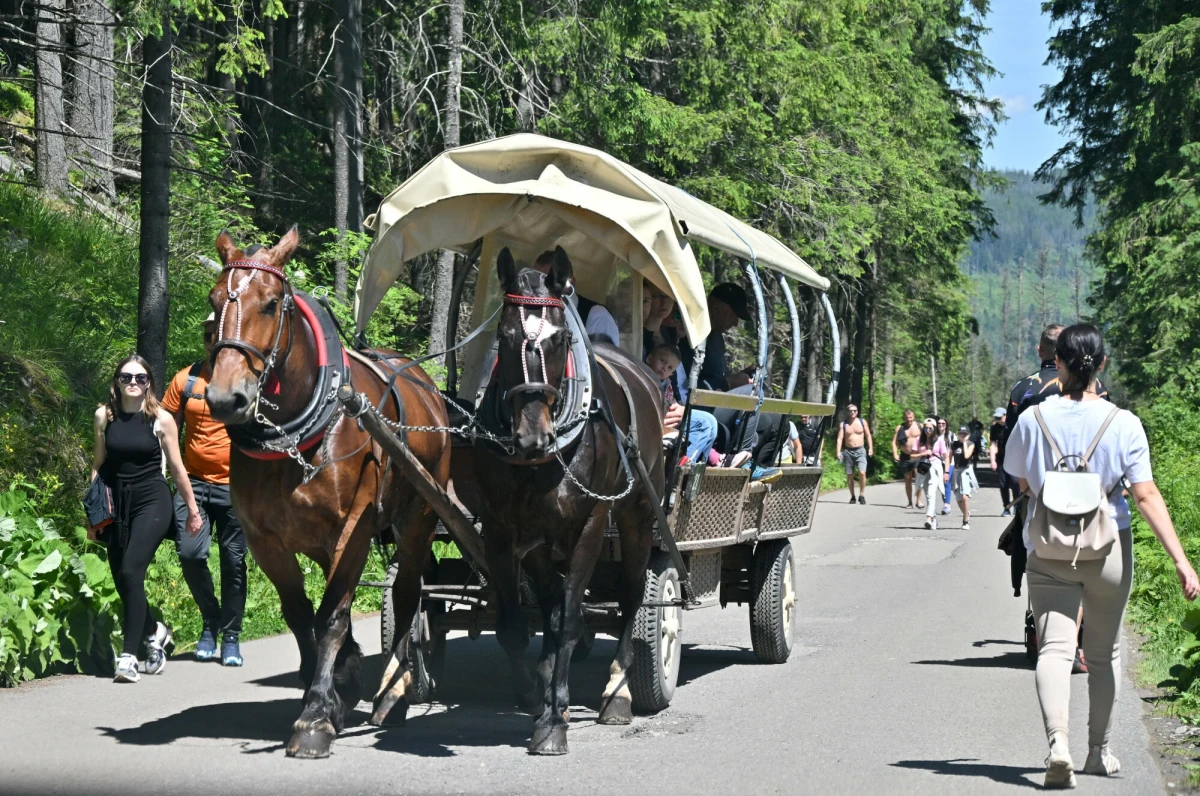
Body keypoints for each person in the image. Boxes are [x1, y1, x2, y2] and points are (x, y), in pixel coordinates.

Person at [1003, 324, 1199, 788]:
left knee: (1053, 648)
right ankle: (1098, 751)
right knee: (1104, 654)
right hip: (1109, 546)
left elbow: (1018, 478)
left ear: (1059, 364)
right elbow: (1146, 495)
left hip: (1048, 546)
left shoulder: (1033, 418)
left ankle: (1058, 746)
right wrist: (1181, 560)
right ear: (1102, 364)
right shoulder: (1123, 422)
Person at [89, 355, 202, 683]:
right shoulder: (103, 416)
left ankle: (129, 657)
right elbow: (98, 464)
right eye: (126, 377)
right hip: (115, 500)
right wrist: (93, 513)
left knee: (131, 570)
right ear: (117, 381)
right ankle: (155, 630)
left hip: (152, 499)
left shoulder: (161, 419)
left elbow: (178, 469)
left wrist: (193, 511)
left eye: (140, 378)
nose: (133, 383)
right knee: (122, 580)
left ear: (149, 382)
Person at [162, 316, 248, 666]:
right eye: (208, 336)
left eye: (219, 335)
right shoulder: (186, 380)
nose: (213, 341)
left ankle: (230, 635)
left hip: (235, 487)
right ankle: (210, 620)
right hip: (193, 485)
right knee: (191, 555)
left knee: (233, 562)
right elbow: (164, 425)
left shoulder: (244, 381)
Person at [645, 342, 716, 464]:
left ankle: (695, 467)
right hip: (654, 418)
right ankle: (678, 468)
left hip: (667, 416)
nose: (664, 367)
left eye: (669, 368)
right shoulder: (644, 376)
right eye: (662, 361)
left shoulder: (666, 384)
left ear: (671, 374)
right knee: (703, 423)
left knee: (712, 422)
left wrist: (676, 407)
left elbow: (670, 400)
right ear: (649, 358)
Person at [679, 282, 750, 391]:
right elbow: (687, 387)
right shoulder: (689, 334)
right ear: (716, 308)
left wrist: (739, 377)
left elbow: (715, 378)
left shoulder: (717, 338)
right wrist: (728, 382)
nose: (735, 323)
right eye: (734, 315)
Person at [910, 418, 949, 530]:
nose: (928, 430)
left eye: (930, 428)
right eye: (926, 428)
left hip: (935, 469)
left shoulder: (940, 441)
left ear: (934, 428)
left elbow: (946, 457)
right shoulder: (919, 440)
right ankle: (934, 519)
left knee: (932, 494)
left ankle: (928, 518)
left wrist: (946, 472)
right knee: (928, 495)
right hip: (923, 469)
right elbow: (912, 457)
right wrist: (923, 453)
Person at [835, 404, 873, 504]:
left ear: (857, 412)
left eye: (855, 411)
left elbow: (868, 436)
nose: (853, 412)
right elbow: (840, 439)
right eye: (851, 411)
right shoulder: (844, 424)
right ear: (847, 412)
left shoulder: (862, 422)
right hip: (848, 452)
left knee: (862, 472)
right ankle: (852, 496)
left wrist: (870, 448)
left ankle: (862, 494)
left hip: (860, 450)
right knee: (850, 475)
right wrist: (838, 451)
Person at [892, 409, 923, 509]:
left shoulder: (920, 426)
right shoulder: (900, 428)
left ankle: (918, 500)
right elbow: (894, 442)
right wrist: (895, 453)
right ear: (904, 417)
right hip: (905, 455)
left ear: (913, 417)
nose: (909, 419)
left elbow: (927, 439)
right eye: (907, 417)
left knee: (918, 477)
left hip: (917, 454)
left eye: (911, 417)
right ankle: (910, 502)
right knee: (908, 479)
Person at [950, 426, 978, 530]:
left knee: (965, 497)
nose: (962, 435)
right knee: (958, 499)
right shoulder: (954, 444)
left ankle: (965, 521)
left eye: (965, 434)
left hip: (966, 470)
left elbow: (966, 456)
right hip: (956, 471)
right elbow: (949, 457)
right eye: (961, 433)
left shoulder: (971, 444)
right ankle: (967, 512)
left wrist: (965, 442)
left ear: (968, 435)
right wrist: (946, 471)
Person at [989, 407, 1015, 513]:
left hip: (1014, 458)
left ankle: (1017, 506)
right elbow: (993, 445)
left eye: (1000, 417)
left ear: (1005, 415)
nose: (998, 419)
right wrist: (992, 460)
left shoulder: (1013, 425)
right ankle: (1006, 507)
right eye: (996, 417)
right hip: (1001, 459)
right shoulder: (994, 428)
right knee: (1003, 484)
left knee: (1015, 483)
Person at [937, 417, 954, 515]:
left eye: (943, 423)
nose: (941, 425)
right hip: (938, 462)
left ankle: (947, 504)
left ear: (946, 424)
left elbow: (954, 449)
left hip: (950, 462)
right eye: (939, 423)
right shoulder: (934, 436)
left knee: (946, 482)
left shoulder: (951, 435)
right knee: (941, 484)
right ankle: (946, 503)